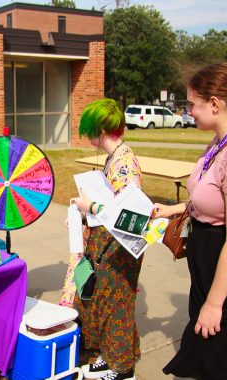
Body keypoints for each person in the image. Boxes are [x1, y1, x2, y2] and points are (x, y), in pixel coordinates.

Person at [155, 63, 227, 380]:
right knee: (200, 354)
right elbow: (216, 197)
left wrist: (214, 304)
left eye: (192, 104)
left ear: (214, 103)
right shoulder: (223, 142)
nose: (189, 111)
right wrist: (174, 209)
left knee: (214, 360)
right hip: (210, 263)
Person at [70, 99, 142, 380]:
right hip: (108, 242)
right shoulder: (116, 157)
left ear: (101, 129)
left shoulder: (124, 164)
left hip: (119, 246)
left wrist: (91, 209)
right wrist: (83, 214)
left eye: (89, 131)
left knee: (117, 305)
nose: (87, 137)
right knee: (104, 302)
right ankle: (110, 356)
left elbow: (130, 216)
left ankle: (123, 369)